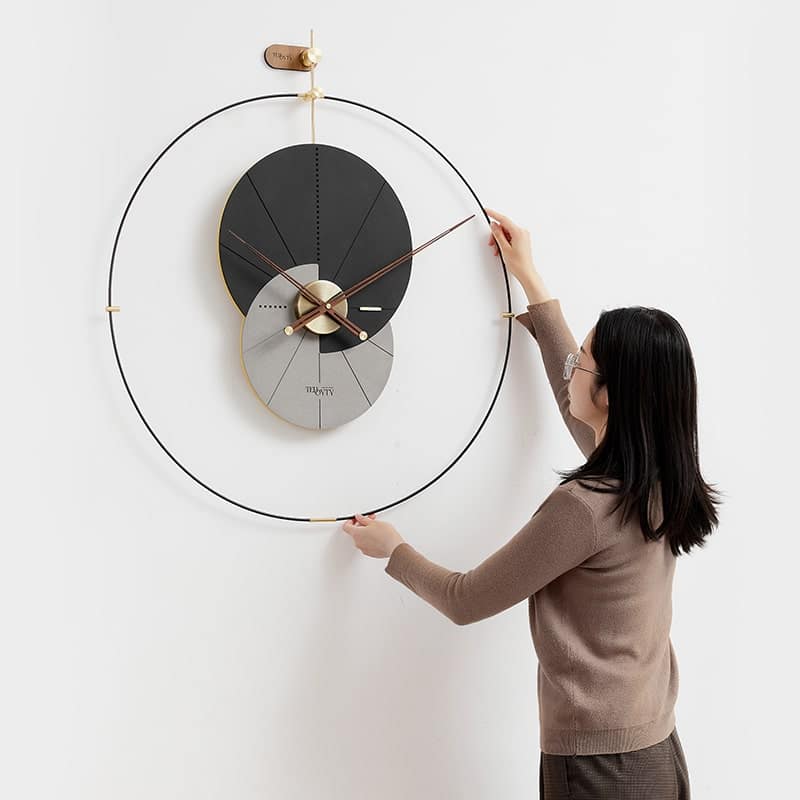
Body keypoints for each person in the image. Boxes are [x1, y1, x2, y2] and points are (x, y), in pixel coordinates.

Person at [342, 207, 722, 799]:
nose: (574, 370)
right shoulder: (658, 477)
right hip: (657, 751)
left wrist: (393, 550)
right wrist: (532, 282)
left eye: (584, 361)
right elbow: (577, 404)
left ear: (610, 395)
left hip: (601, 769)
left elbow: (467, 599)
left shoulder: (584, 508)